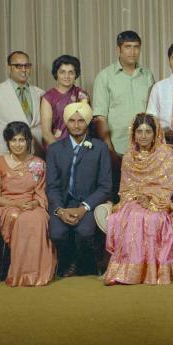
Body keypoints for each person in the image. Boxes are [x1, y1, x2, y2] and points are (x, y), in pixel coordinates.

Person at [104, 113, 173, 285]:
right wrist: (137, 197)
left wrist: (152, 200)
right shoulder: (128, 157)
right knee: (131, 217)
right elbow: (125, 188)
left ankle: (150, 273)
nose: (143, 136)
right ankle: (130, 272)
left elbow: (168, 184)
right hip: (134, 200)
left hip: (158, 201)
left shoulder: (165, 153)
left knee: (153, 218)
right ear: (133, 134)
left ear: (155, 133)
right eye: (139, 131)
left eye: (148, 131)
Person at [46, 101, 111, 277]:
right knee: (57, 233)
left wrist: (84, 208)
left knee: (85, 232)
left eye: (81, 120)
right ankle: (67, 261)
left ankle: (83, 264)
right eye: (72, 120)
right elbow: (51, 186)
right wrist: (59, 210)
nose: (76, 125)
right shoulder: (55, 149)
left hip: (88, 203)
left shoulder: (100, 148)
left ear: (88, 122)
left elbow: (105, 186)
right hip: (63, 204)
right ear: (66, 122)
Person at [0, 121, 56, 286]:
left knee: (37, 220)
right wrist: (17, 205)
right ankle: (19, 272)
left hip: (33, 204)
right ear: (7, 142)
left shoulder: (38, 163)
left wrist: (34, 204)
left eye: (21, 140)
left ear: (28, 141)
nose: (17, 145)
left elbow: (41, 192)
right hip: (7, 205)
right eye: (13, 140)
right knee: (18, 218)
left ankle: (36, 273)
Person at [92, 31, 155, 196]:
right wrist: (109, 149)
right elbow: (100, 117)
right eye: (127, 47)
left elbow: (153, 113)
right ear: (118, 50)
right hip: (118, 149)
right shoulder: (105, 77)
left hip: (145, 150)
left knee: (144, 197)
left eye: (136, 47)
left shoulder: (147, 75)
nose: (132, 52)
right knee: (119, 197)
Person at [0, 51, 44, 158]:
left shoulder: (40, 93)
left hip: (35, 155)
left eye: (26, 66)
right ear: (9, 67)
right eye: (18, 66)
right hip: (5, 155)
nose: (23, 70)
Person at [40, 54, 90, 147]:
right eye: (62, 72)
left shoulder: (82, 95)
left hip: (81, 147)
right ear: (56, 74)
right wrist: (61, 152)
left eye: (71, 72)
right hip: (56, 147)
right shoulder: (48, 97)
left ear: (76, 74)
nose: (67, 76)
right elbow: (46, 133)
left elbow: (87, 126)